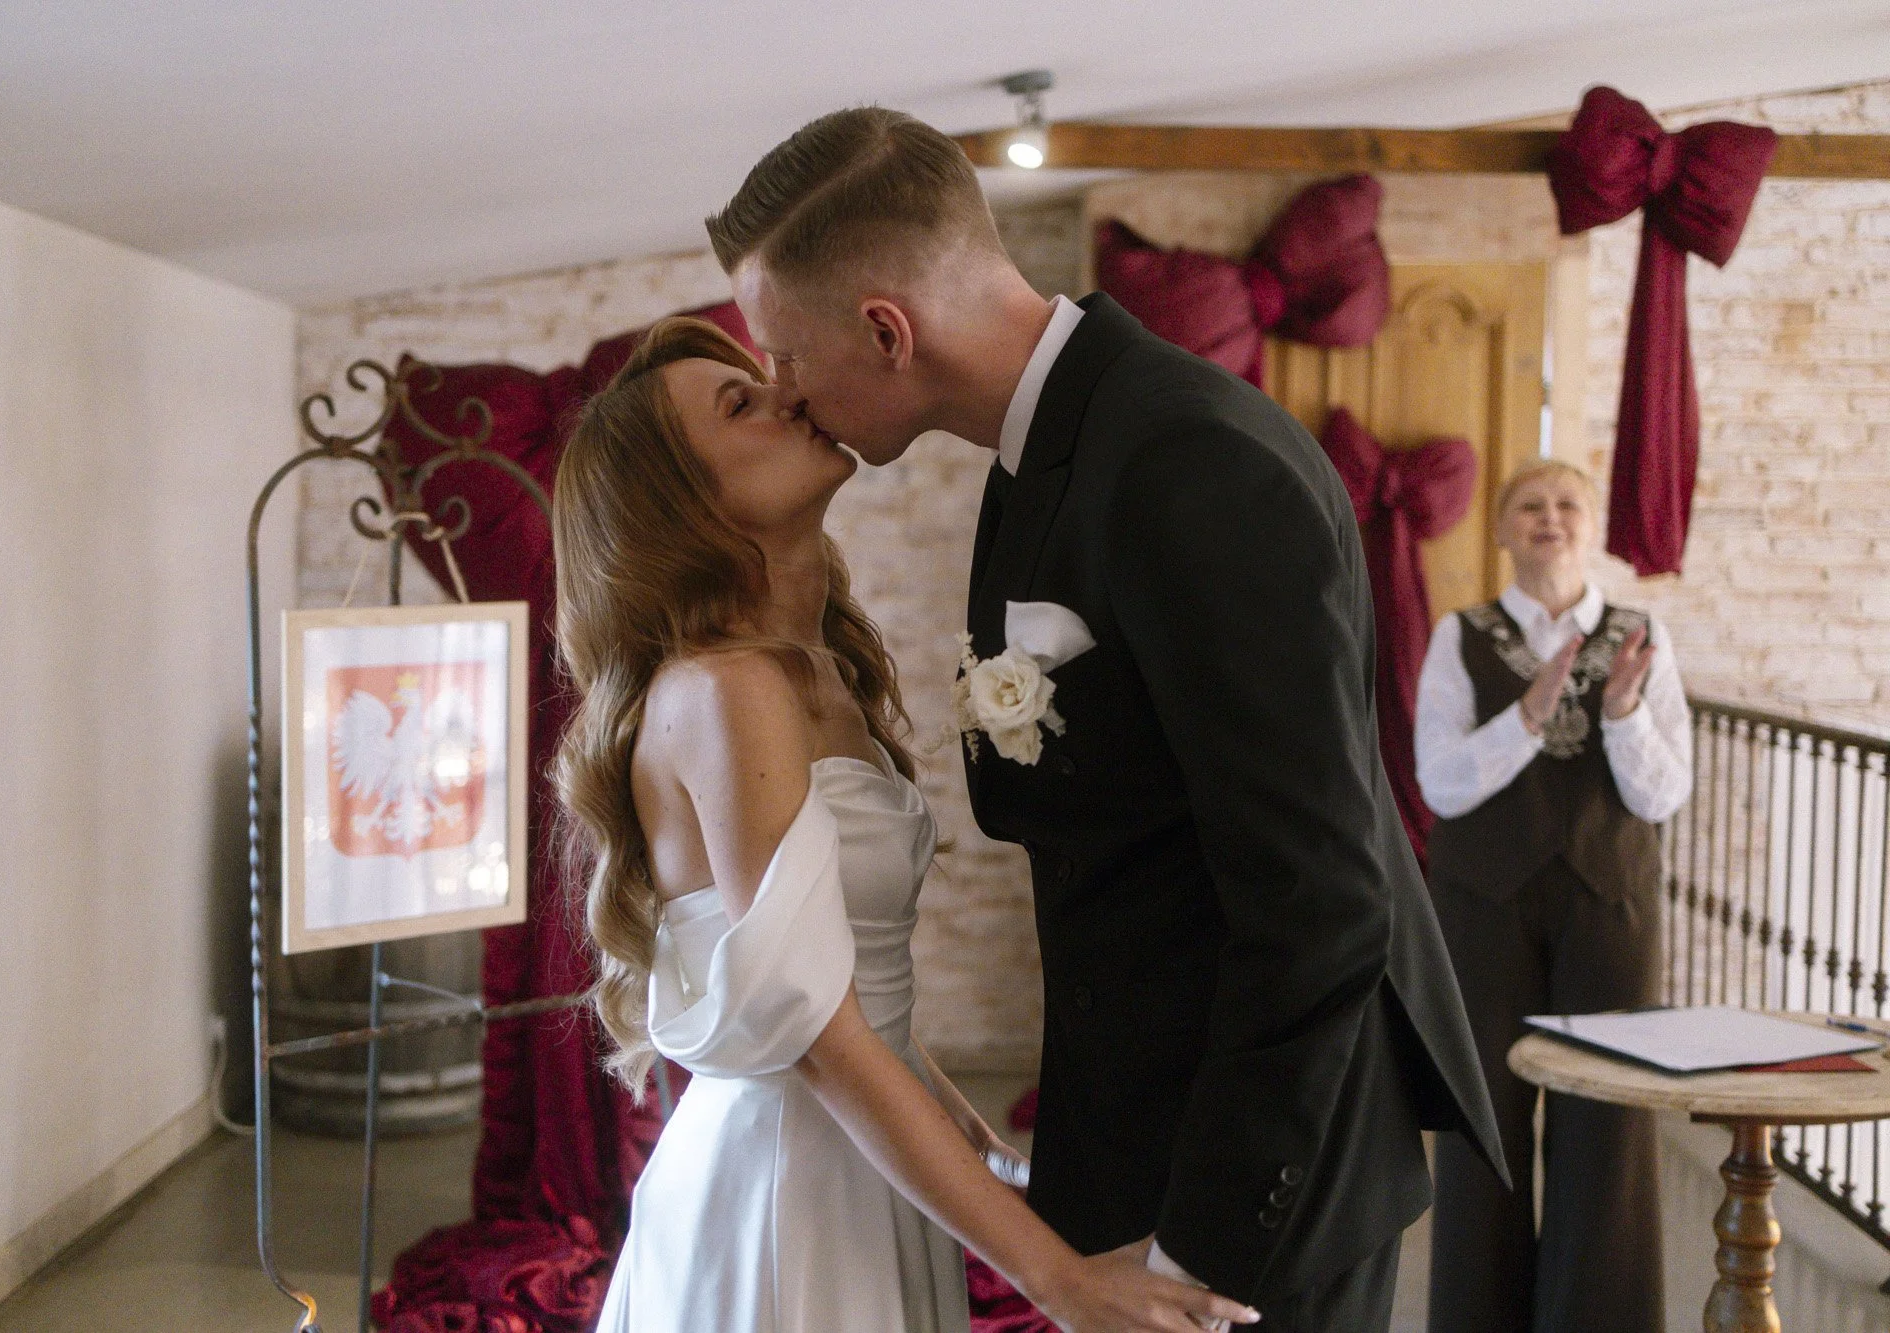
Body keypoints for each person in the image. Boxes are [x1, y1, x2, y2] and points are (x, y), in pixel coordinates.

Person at [704, 107, 1508, 1333]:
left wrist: (1194, 1248)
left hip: (1253, 1189)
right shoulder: (1040, 455)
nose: (779, 385)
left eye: (780, 349)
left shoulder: (1190, 462)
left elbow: (1319, 901)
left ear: (883, 328)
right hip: (1131, 1129)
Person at [555, 316, 1251, 1332]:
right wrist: (1056, 1278)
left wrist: (982, 1148)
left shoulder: (820, 672)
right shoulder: (723, 688)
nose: (786, 397)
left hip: (869, 1161)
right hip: (784, 1189)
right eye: (739, 405)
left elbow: (854, 994)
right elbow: (820, 1036)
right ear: (677, 498)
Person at [1416, 459, 1691, 1333]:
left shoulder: (1644, 635)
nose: (1550, 517)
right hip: (1481, 901)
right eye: (1528, 505)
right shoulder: (1461, 635)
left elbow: (1664, 792)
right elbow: (1440, 783)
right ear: (1501, 530)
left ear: (1590, 523)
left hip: (1610, 904)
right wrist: (1528, 714)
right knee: (1481, 1126)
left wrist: (1620, 714)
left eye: (1567, 503)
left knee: (1608, 1127)